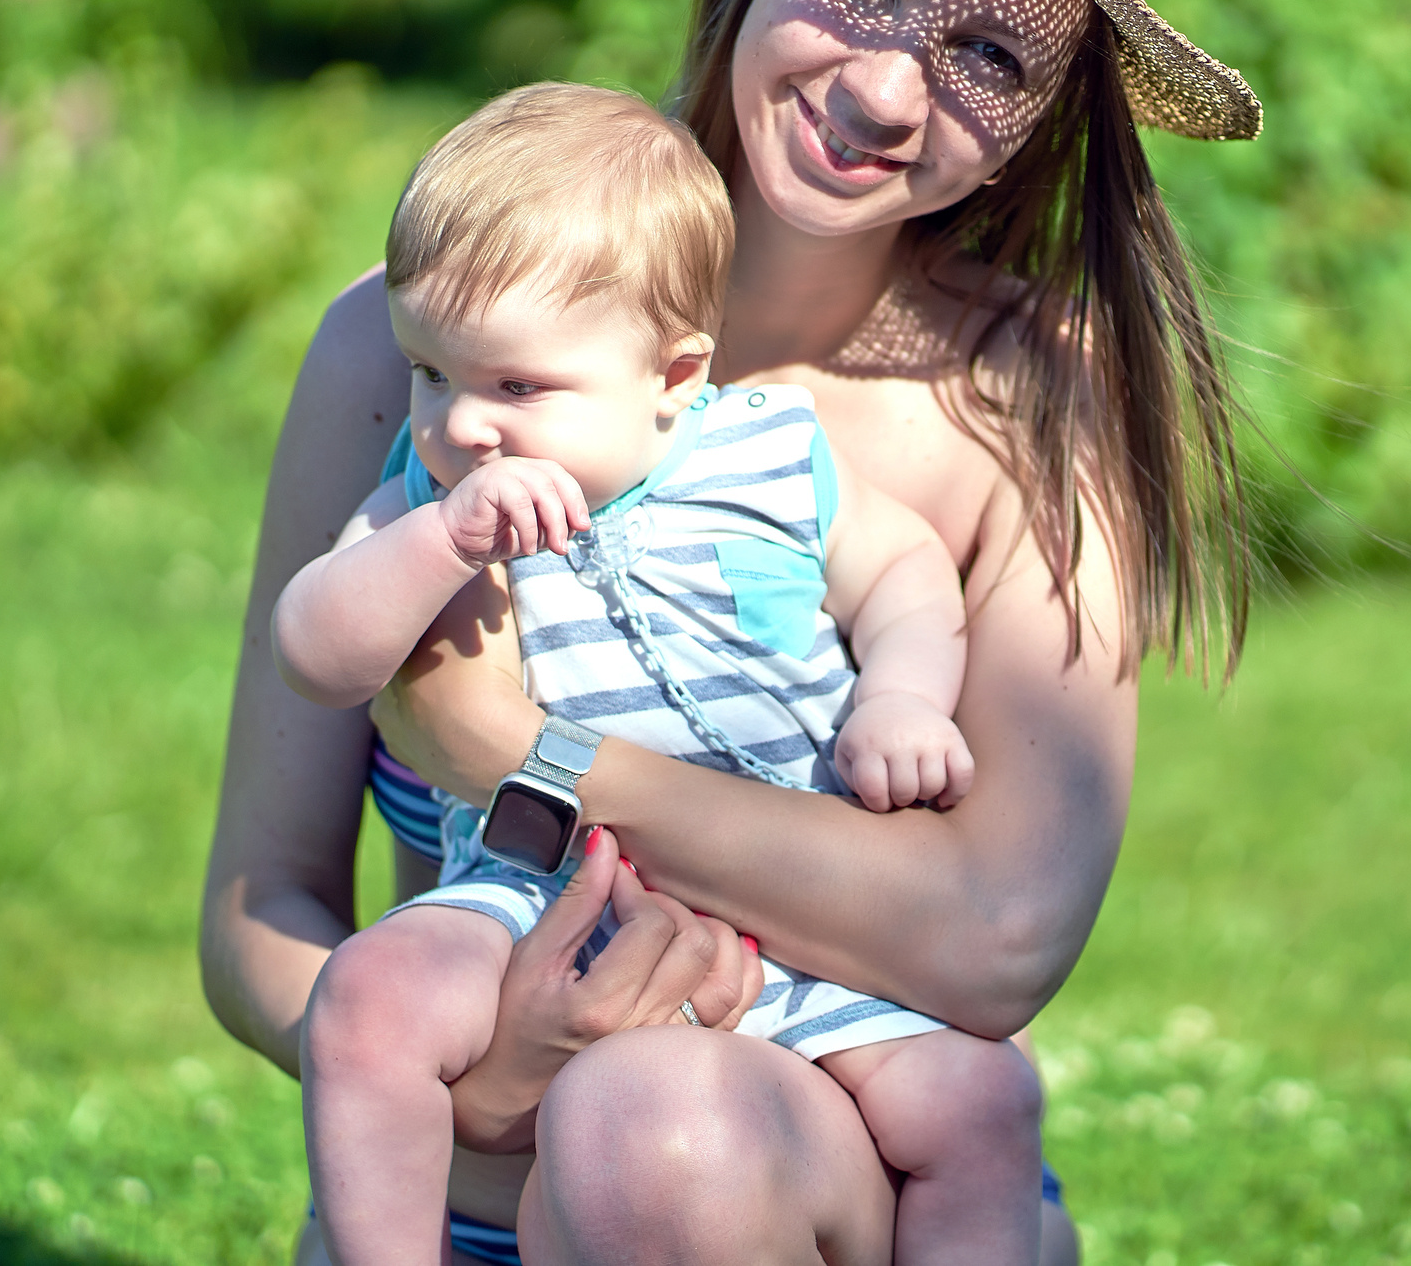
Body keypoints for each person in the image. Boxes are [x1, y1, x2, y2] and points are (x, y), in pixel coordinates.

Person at [200, 0, 1263, 1266]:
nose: (892, 88)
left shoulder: (1025, 404)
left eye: (993, 56)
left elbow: (1000, 940)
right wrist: (493, 1075)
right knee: (616, 1112)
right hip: (469, 1207)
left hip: (803, 1194)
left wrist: (524, 746)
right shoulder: (422, 354)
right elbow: (259, 915)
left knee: (661, 1125)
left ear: (1052, 115)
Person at [276, 82, 1045, 1266]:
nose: (462, 423)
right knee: (370, 998)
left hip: (789, 909)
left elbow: (902, 574)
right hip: (532, 896)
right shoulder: (429, 499)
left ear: (674, 379)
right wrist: (434, 541)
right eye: (432, 373)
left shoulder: (769, 454)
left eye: (517, 387)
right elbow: (316, 648)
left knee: (978, 1102)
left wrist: (900, 695)